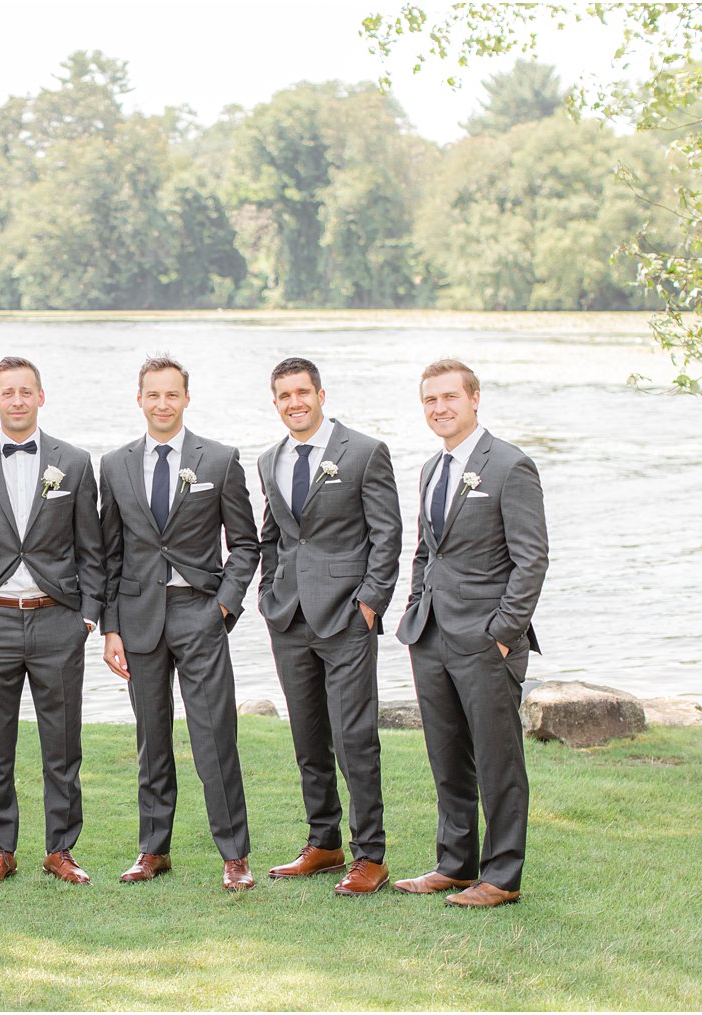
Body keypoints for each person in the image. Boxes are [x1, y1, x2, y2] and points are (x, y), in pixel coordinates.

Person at [98, 355, 261, 891]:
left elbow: (245, 544)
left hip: (199, 612)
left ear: (186, 399)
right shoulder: (115, 465)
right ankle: (153, 849)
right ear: (139, 399)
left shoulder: (218, 459)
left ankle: (234, 855)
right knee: (151, 738)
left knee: (215, 736)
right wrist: (111, 627)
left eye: (172, 394)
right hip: (139, 618)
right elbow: (111, 553)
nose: (163, 403)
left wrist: (224, 606)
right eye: (153, 394)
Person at [0, 356, 104, 886]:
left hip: (57, 621)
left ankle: (61, 849)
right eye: (7, 392)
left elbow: (91, 547)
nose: (16, 400)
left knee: (62, 745)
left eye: (25, 391)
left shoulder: (74, 463)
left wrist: (87, 617)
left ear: (40, 397)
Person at [394, 359, 549, 908]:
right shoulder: (431, 470)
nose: (440, 408)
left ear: (475, 398)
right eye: (430, 400)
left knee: (498, 760)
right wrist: (416, 609)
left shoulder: (509, 465)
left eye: (449, 397)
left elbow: (531, 560)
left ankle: (502, 877)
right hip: (431, 636)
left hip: (486, 641)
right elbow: (424, 551)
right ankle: (455, 864)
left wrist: (503, 634)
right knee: (448, 755)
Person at [257, 357, 401, 895]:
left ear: (320, 393)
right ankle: (324, 842)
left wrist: (370, 604)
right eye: (284, 396)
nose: (294, 403)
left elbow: (387, 535)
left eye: (302, 392)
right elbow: (272, 535)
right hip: (288, 617)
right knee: (307, 736)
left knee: (354, 737)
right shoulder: (269, 460)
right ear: (275, 403)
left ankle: (370, 854)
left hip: (345, 617)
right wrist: (269, 593)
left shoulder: (363, 452)